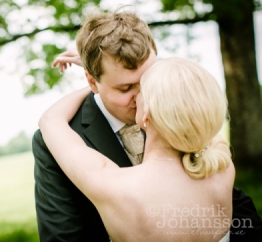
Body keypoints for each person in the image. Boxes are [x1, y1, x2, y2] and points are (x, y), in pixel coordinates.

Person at [39, 57, 235, 241]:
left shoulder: (116, 186)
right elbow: (194, 109)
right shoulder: (222, 169)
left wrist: (99, 79)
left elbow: (50, 120)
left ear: (147, 114)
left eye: (142, 89)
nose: (136, 94)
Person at [32, 9, 157, 241]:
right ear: (92, 81)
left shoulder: (173, 109)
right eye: (125, 88)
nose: (143, 99)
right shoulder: (54, 139)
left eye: (148, 80)